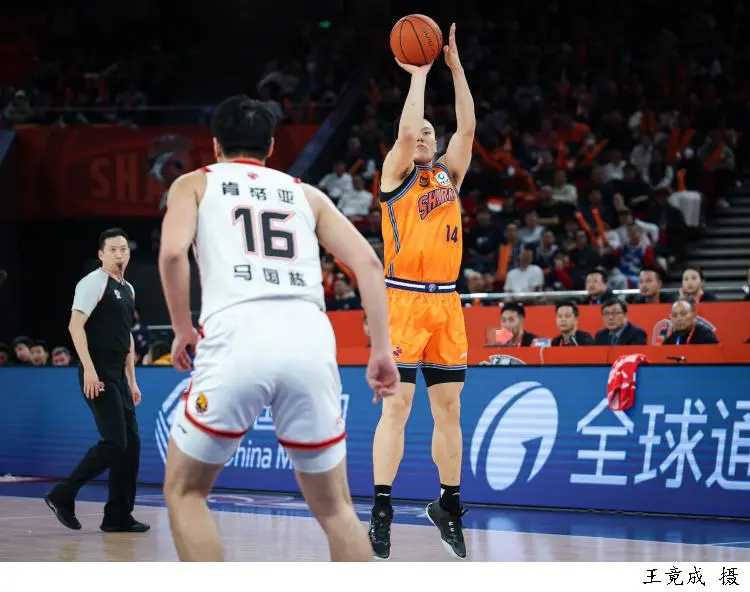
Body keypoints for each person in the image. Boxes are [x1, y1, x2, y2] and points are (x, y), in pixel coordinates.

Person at [158, 96, 398, 562]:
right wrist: (381, 350)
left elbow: (171, 254)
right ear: (270, 147)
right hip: (309, 336)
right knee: (337, 509)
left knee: (185, 492)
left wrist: (183, 328)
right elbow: (370, 264)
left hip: (238, 332)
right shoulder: (306, 194)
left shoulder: (195, 183)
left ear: (215, 145)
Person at [370, 23, 475, 561]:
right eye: (418, 133)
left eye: (431, 133)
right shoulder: (395, 176)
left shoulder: (450, 176)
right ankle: (381, 508)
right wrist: (419, 74)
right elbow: (408, 129)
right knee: (399, 407)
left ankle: (448, 505)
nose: (424, 137)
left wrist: (456, 71)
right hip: (403, 299)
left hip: (446, 303)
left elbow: (468, 129)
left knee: (449, 408)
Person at [44, 229, 147, 533]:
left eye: (123, 249)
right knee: (115, 442)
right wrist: (88, 369)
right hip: (97, 371)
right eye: (113, 249)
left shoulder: (128, 289)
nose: (119, 254)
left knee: (131, 446)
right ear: (101, 254)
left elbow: (127, 337)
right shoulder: (92, 283)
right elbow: (75, 326)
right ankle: (62, 494)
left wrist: (132, 380)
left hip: (119, 374)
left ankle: (118, 516)